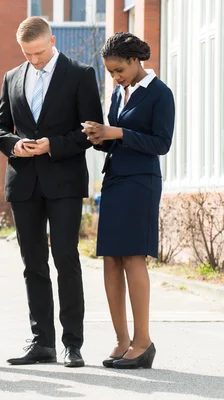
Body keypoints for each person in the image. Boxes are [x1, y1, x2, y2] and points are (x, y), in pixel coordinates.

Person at [0, 17, 103, 368]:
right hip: (23, 182)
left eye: (39, 52)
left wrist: (51, 145)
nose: (34, 59)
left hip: (64, 181)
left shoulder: (81, 74)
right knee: (32, 264)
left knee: (66, 258)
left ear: (52, 40)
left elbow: (89, 131)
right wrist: (15, 144)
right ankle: (42, 342)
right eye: (28, 54)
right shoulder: (12, 77)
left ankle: (73, 344)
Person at [83, 32, 174, 369]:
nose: (115, 77)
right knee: (110, 259)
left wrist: (118, 132)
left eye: (119, 70)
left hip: (141, 183)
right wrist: (98, 136)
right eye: (110, 72)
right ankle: (122, 340)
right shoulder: (120, 94)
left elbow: (161, 143)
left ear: (136, 61)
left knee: (134, 258)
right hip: (115, 181)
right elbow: (115, 140)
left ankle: (143, 341)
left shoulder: (160, 94)